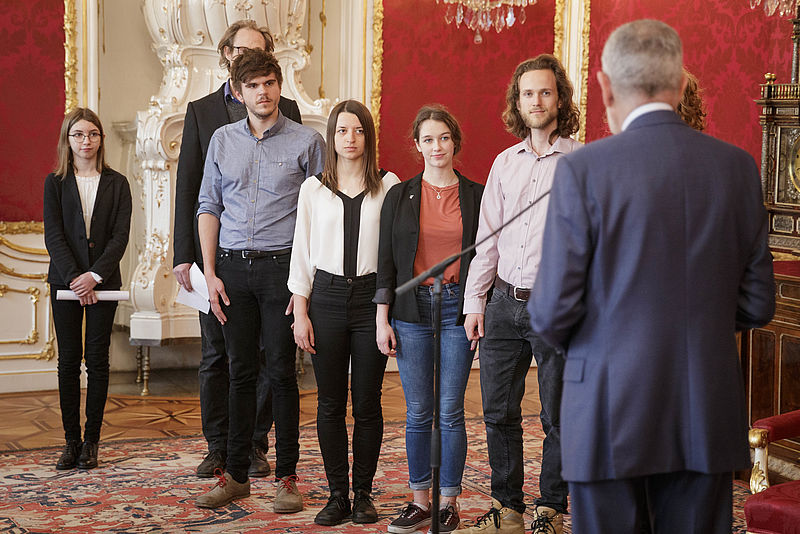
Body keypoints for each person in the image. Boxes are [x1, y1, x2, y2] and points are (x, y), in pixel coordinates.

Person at [528, 19, 775, 534]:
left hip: (605, 410)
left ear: (605, 87)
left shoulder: (582, 170)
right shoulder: (738, 168)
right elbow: (757, 304)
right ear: (681, 84)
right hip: (704, 409)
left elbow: (550, 313)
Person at [194, 48, 325, 510]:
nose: (262, 92)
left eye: (269, 82)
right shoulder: (221, 141)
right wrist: (210, 273)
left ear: (279, 86)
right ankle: (235, 475)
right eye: (252, 85)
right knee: (239, 373)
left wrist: (304, 283)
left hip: (282, 271)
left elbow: (319, 217)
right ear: (239, 92)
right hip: (230, 269)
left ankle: (286, 477)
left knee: (283, 374)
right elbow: (208, 206)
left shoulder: (308, 142)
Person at [173, 19, 302, 479]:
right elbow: (192, 188)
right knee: (216, 354)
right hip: (220, 257)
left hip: (276, 260)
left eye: (259, 53)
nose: (260, 87)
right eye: (241, 52)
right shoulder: (203, 113)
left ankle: (255, 443)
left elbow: (305, 199)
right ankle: (219, 445)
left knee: (269, 360)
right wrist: (185, 256)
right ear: (227, 55)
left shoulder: (290, 115)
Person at [457, 54, 581, 534]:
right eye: (528, 93)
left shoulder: (582, 163)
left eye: (545, 92)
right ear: (518, 101)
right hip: (504, 303)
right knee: (497, 412)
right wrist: (475, 302)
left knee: (557, 415)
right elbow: (486, 239)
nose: (536, 101)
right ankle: (506, 508)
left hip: (557, 306)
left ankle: (550, 508)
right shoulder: (504, 163)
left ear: (560, 99)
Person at [288, 99, 400, 526]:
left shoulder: (388, 185)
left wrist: (386, 312)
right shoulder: (313, 189)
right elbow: (301, 254)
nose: (350, 139)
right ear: (331, 137)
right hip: (327, 299)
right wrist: (301, 313)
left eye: (358, 130)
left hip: (372, 301)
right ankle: (338, 494)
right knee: (331, 403)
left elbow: (393, 255)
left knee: (368, 403)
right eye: (341, 131)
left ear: (368, 136)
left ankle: (364, 494)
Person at [375, 105, 484, 534]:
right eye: (428, 139)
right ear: (417, 145)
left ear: (454, 142)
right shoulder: (399, 196)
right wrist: (382, 319)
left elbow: (486, 258)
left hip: (458, 307)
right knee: (419, 411)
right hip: (410, 311)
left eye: (443, 138)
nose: (436, 146)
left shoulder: (476, 195)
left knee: (450, 410)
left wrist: (478, 307)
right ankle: (420, 502)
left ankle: (449, 503)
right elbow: (385, 263)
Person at [44, 107, 132, 471]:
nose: (86, 141)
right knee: (68, 361)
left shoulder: (118, 183)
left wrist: (94, 277)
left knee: (97, 361)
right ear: (68, 139)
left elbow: (120, 237)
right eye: (78, 134)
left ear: (101, 139)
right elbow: (54, 235)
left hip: (103, 283)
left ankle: (91, 442)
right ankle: (71, 441)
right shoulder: (54, 183)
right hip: (65, 283)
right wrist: (75, 279)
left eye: (93, 134)